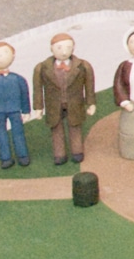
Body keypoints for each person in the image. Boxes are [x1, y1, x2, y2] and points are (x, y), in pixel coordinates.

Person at [32, 32, 95, 166]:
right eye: (59, 48)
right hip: (54, 104)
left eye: (68, 47)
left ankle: (77, 151)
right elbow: (37, 89)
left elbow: (89, 86)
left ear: (73, 48)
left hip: (75, 103)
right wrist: (38, 107)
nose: (64, 51)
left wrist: (91, 103)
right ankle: (59, 154)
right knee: (56, 128)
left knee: (75, 127)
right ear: (51, 49)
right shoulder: (42, 68)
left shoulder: (83, 66)